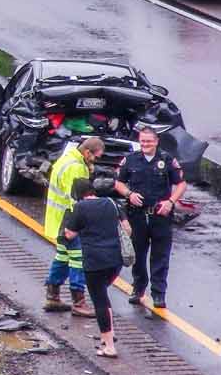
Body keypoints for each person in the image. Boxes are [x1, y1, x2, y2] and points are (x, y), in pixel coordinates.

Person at [115, 127, 186, 309]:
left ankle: (158, 294)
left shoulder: (167, 160)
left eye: (149, 141)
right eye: (143, 141)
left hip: (160, 216)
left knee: (160, 257)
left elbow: (181, 184)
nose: (145, 144)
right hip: (137, 215)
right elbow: (118, 183)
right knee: (138, 255)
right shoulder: (130, 160)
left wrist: (170, 201)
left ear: (156, 141)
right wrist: (129, 194)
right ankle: (138, 290)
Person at [63, 178, 129, 358]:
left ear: (77, 194)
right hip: (115, 260)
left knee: (99, 300)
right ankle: (110, 333)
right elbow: (127, 229)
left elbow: (69, 234)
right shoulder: (111, 202)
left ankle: (109, 346)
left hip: (94, 261)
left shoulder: (81, 207)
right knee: (103, 295)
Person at [42, 137, 103, 317]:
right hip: (70, 221)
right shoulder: (76, 167)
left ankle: (52, 296)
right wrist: (83, 223)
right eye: (96, 157)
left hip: (58, 219)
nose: (97, 161)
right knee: (78, 259)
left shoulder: (67, 158)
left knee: (62, 257)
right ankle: (79, 301)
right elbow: (77, 199)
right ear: (87, 152)